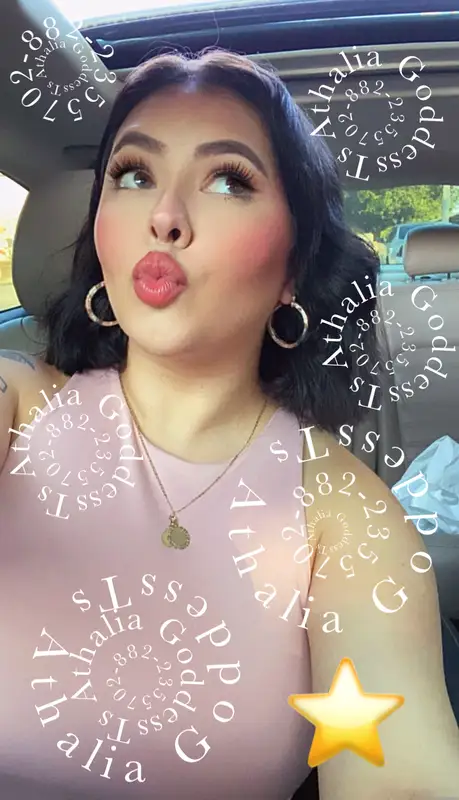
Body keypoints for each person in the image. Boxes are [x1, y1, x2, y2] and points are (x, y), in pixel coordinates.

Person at [0, 48, 458, 800]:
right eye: (133, 174)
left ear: (292, 269)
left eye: (227, 181)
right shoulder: (18, 405)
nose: (164, 216)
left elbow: (400, 776)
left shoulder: (346, 515)